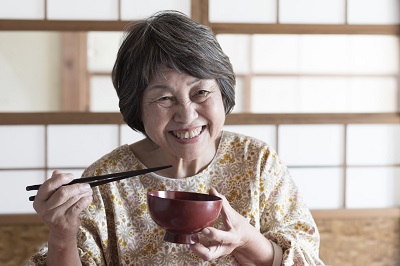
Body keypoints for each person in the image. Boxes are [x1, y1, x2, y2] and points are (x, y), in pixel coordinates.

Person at [29, 10, 324, 266]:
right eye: (164, 98)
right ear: (137, 108)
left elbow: (307, 258)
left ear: (223, 93)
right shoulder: (106, 179)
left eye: (201, 92)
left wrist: (248, 240)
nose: (187, 115)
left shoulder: (257, 162)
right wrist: (62, 234)